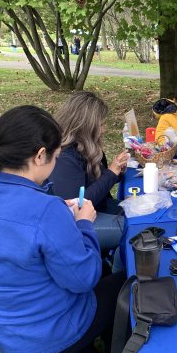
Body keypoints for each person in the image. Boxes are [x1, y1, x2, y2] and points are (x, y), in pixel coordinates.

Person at [0, 105, 125, 353]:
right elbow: (84, 280)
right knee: (125, 284)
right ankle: (111, 352)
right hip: (48, 339)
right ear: (40, 155)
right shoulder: (46, 210)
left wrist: (61, 215)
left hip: (2, 335)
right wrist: (83, 224)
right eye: (56, 156)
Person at [50, 92, 129, 254]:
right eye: (101, 124)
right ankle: (118, 275)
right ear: (86, 126)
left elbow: (97, 182)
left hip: (98, 207)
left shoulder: (87, 146)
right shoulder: (65, 157)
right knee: (131, 232)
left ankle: (113, 266)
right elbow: (78, 204)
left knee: (139, 217)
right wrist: (111, 173)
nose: (104, 129)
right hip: (75, 225)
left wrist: (117, 171)